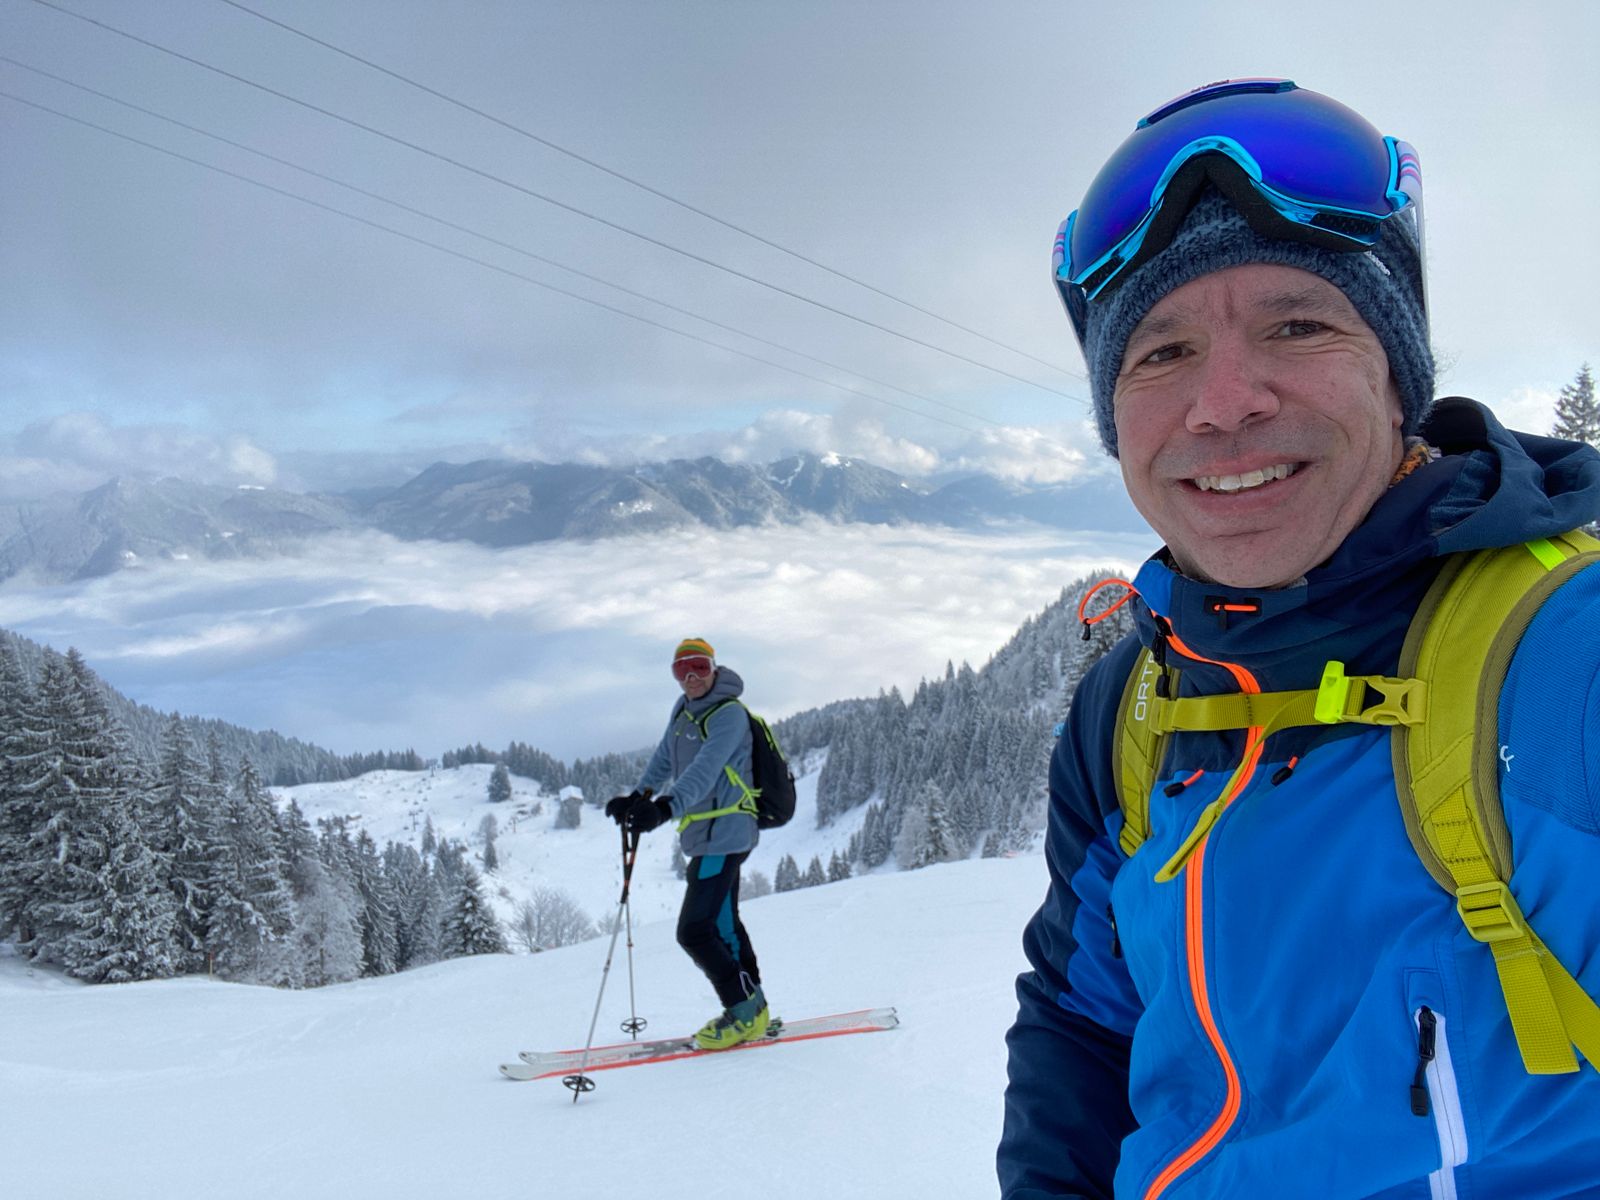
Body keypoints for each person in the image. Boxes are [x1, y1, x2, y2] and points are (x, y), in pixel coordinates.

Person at [998, 79, 1600, 1198]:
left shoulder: (1567, 662)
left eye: (1298, 325)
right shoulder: (1131, 707)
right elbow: (1084, 1024)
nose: (1223, 403)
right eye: (1161, 352)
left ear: (1398, 379)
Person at [605, 636, 769, 1050]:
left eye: (699, 666)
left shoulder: (729, 714)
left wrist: (665, 808)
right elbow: (664, 759)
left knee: (694, 931)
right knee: (723, 924)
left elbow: (705, 770)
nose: (691, 677)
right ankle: (754, 1009)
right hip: (705, 833)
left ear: (714, 668)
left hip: (726, 832)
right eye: (682, 669)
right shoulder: (683, 710)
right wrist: (638, 797)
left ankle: (742, 1012)